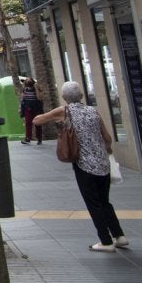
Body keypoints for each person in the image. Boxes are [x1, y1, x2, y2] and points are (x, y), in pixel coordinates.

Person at [33, 81, 127, 252]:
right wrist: (105, 151)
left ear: (63, 97)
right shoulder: (93, 111)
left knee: (93, 203)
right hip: (103, 164)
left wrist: (58, 122)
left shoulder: (64, 111)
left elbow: (37, 121)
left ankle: (105, 241)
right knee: (104, 201)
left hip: (84, 165)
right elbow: (107, 137)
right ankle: (119, 236)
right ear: (82, 96)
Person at [18, 76, 43, 145]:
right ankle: (28, 138)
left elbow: (40, 98)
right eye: (26, 80)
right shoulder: (25, 89)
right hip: (28, 108)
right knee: (28, 123)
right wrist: (20, 108)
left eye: (29, 80)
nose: (27, 81)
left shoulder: (36, 89)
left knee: (37, 123)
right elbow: (22, 99)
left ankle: (39, 139)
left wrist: (36, 89)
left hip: (36, 108)